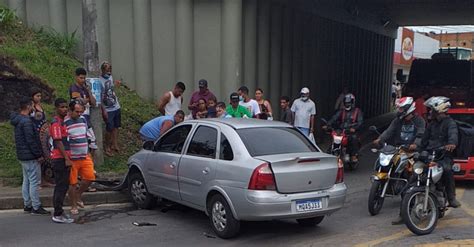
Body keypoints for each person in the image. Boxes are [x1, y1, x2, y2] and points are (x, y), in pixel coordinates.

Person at [373, 97, 426, 225]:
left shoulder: (419, 121)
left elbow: (421, 134)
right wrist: (379, 139)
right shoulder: (398, 121)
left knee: (409, 179)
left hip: (413, 152)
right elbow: (388, 132)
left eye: (401, 108)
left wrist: (415, 144)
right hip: (398, 150)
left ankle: (405, 211)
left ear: (408, 108)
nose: (399, 110)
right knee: (383, 162)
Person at [419, 96, 461, 208]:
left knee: (447, 170)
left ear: (439, 110)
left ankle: (451, 198)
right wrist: (418, 150)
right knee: (414, 174)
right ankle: (404, 210)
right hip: (429, 155)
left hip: (443, 156)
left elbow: (453, 135)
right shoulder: (431, 124)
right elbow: (424, 141)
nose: (430, 112)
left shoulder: (450, 123)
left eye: (432, 110)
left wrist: (451, 144)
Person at [10, 99, 49, 215]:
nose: (33, 108)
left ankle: (27, 204)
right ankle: (36, 206)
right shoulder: (27, 122)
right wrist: (38, 155)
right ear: (28, 107)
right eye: (32, 105)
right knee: (34, 181)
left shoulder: (18, 120)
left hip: (22, 155)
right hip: (30, 155)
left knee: (26, 180)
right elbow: (31, 140)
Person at [65, 100, 96, 215]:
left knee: (90, 178)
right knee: (72, 183)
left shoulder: (83, 119)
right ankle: (73, 205)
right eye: (77, 112)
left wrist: (92, 146)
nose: (79, 114)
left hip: (85, 155)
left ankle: (78, 194)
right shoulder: (65, 123)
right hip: (72, 158)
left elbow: (88, 134)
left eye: (81, 112)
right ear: (70, 111)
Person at [49, 98, 74, 223]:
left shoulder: (63, 122)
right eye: (62, 107)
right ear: (56, 108)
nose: (65, 109)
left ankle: (60, 211)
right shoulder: (56, 123)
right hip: (60, 159)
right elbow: (58, 141)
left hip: (64, 158)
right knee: (61, 186)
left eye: (66, 107)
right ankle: (58, 213)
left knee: (63, 186)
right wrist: (66, 158)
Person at [324, 93, 363, 162]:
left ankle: (353, 155)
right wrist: (327, 125)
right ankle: (330, 153)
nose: (347, 104)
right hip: (342, 130)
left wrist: (355, 128)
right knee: (334, 138)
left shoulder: (357, 111)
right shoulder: (342, 111)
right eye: (346, 103)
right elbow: (334, 118)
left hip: (351, 131)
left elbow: (360, 122)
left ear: (352, 103)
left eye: (348, 103)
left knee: (353, 138)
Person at [69, 68, 98, 155]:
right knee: (87, 140)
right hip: (79, 117)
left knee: (92, 141)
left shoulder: (85, 88)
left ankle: (89, 161)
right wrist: (88, 99)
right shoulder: (74, 88)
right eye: (81, 78)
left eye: (84, 78)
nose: (83, 80)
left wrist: (89, 91)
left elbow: (93, 102)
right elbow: (81, 101)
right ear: (76, 77)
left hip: (86, 117)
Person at [30, 88, 53, 188]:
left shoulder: (40, 106)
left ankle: (45, 178)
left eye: (40, 96)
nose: (39, 98)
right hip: (37, 133)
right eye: (37, 96)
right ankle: (41, 180)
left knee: (46, 155)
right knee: (41, 156)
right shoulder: (32, 108)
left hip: (44, 134)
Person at [99, 61, 122, 156]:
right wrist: (103, 110)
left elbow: (110, 90)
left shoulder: (110, 77)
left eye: (110, 69)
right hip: (107, 108)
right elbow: (100, 96)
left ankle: (114, 144)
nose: (109, 71)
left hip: (115, 106)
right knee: (109, 127)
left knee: (116, 126)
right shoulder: (99, 81)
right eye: (107, 69)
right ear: (102, 70)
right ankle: (107, 147)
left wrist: (115, 85)